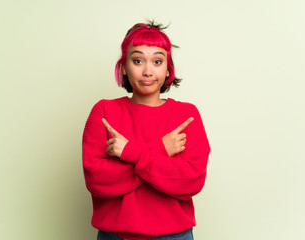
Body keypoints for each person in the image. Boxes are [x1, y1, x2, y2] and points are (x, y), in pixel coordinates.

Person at [82, 21, 210, 240]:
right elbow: (97, 180)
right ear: (124, 66)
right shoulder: (104, 111)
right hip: (115, 236)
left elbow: (191, 181)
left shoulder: (186, 115)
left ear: (168, 69)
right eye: (138, 60)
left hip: (174, 236)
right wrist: (161, 151)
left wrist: (130, 152)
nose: (148, 71)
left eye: (157, 61)